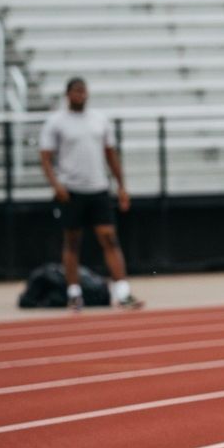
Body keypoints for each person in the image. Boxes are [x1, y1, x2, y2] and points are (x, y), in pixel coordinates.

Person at [39, 77, 143, 310]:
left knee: (109, 238)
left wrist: (122, 185)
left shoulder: (99, 120)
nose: (81, 95)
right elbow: (45, 157)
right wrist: (56, 185)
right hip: (71, 190)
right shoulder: (56, 122)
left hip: (98, 188)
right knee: (73, 242)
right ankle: (74, 292)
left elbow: (110, 154)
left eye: (83, 91)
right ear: (68, 95)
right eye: (76, 92)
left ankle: (123, 291)